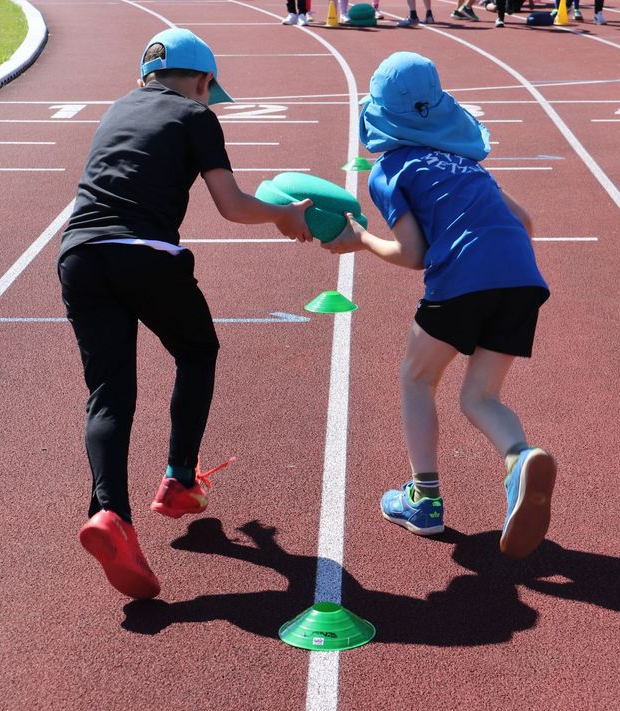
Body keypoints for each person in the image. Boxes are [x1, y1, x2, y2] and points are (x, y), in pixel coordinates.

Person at [58, 28, 312, 600]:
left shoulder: (118, 108)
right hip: (145, 254)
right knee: (196, 351)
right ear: (202, 82)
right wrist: (283, 216)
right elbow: (232, 206)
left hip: (78, 254)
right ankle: (177, 480)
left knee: (108, 392)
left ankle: (111, 515)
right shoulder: (196, 116)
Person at [324, 52, 557, 559]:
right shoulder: (468, 165)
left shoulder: (390, 169)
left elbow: (412, 254)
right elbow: (525, 223)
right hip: (521, 277)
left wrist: (359, 237)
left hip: (463, 277)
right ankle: (521, 458)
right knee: (480, 397)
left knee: (416, 377)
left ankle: (423, 501)